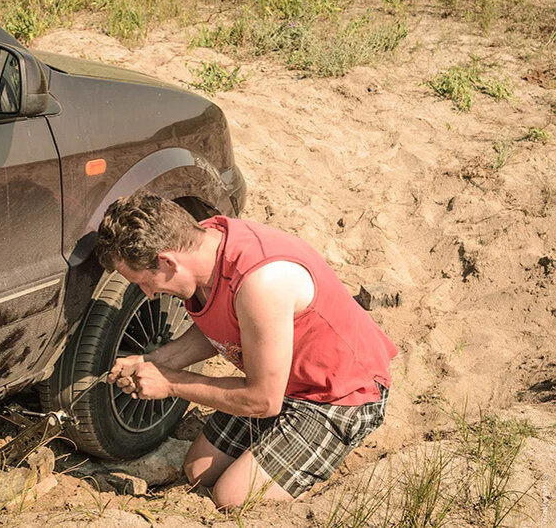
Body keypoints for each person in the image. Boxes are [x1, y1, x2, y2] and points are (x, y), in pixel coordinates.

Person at [97, 193, 396, 508]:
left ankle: (314, 467)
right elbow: (221, 321)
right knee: (198, 471)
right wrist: (154, 361)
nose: (148, 293)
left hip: (337, 393)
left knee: (233, 497)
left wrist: (170, 383)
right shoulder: (204, 244)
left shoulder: (261, 283)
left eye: (144, 281)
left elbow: (262, 400)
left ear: (169, 261)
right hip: (281, 382)